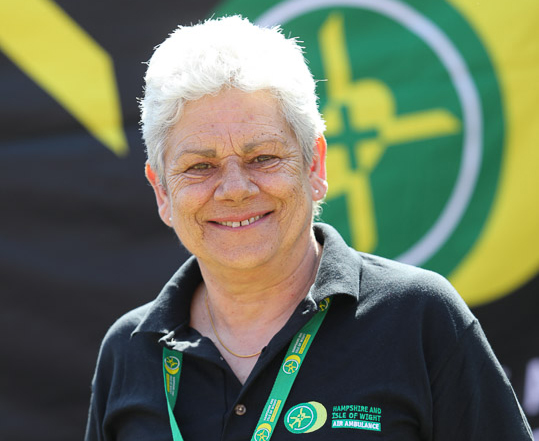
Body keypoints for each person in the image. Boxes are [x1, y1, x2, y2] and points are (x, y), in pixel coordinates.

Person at [85, 15, 532, 441]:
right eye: (200, 166)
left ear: (314, 165)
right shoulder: (129, 349)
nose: (235, 190)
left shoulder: (420, 318)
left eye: (263, 157)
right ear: (162, 191)